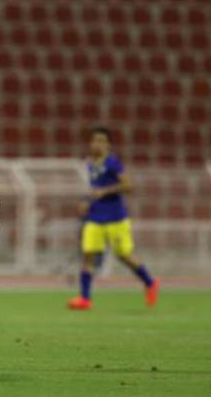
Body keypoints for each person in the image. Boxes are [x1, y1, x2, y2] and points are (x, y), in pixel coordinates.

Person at [68, 127, 159, 310]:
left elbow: (128, 185)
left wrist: (105, 191)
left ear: (109, 145)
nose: (97, 144)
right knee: (88, 255)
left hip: (115, 218)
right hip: (95, 217)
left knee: (124, 256)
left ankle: (150, 282)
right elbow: (95, 190)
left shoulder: (112, 163)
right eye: (95, 140)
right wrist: (87, 202)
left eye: (102, 141)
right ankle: (85, 299)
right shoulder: (91, 164)